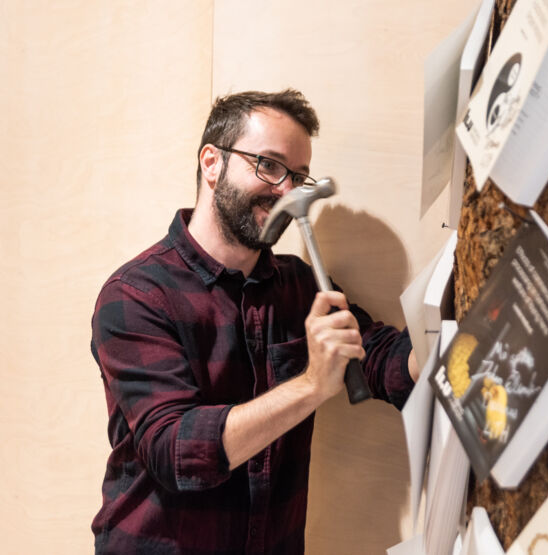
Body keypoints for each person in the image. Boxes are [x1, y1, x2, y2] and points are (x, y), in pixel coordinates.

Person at [90, 89, 419, 554]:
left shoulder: (300, 285)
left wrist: (446, 349)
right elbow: (177, 450)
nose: (286, 190)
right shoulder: (136, 295)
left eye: (299, 176)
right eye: (269, 165)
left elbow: (378, 358)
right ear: (211, 162)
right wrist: (310, 385)